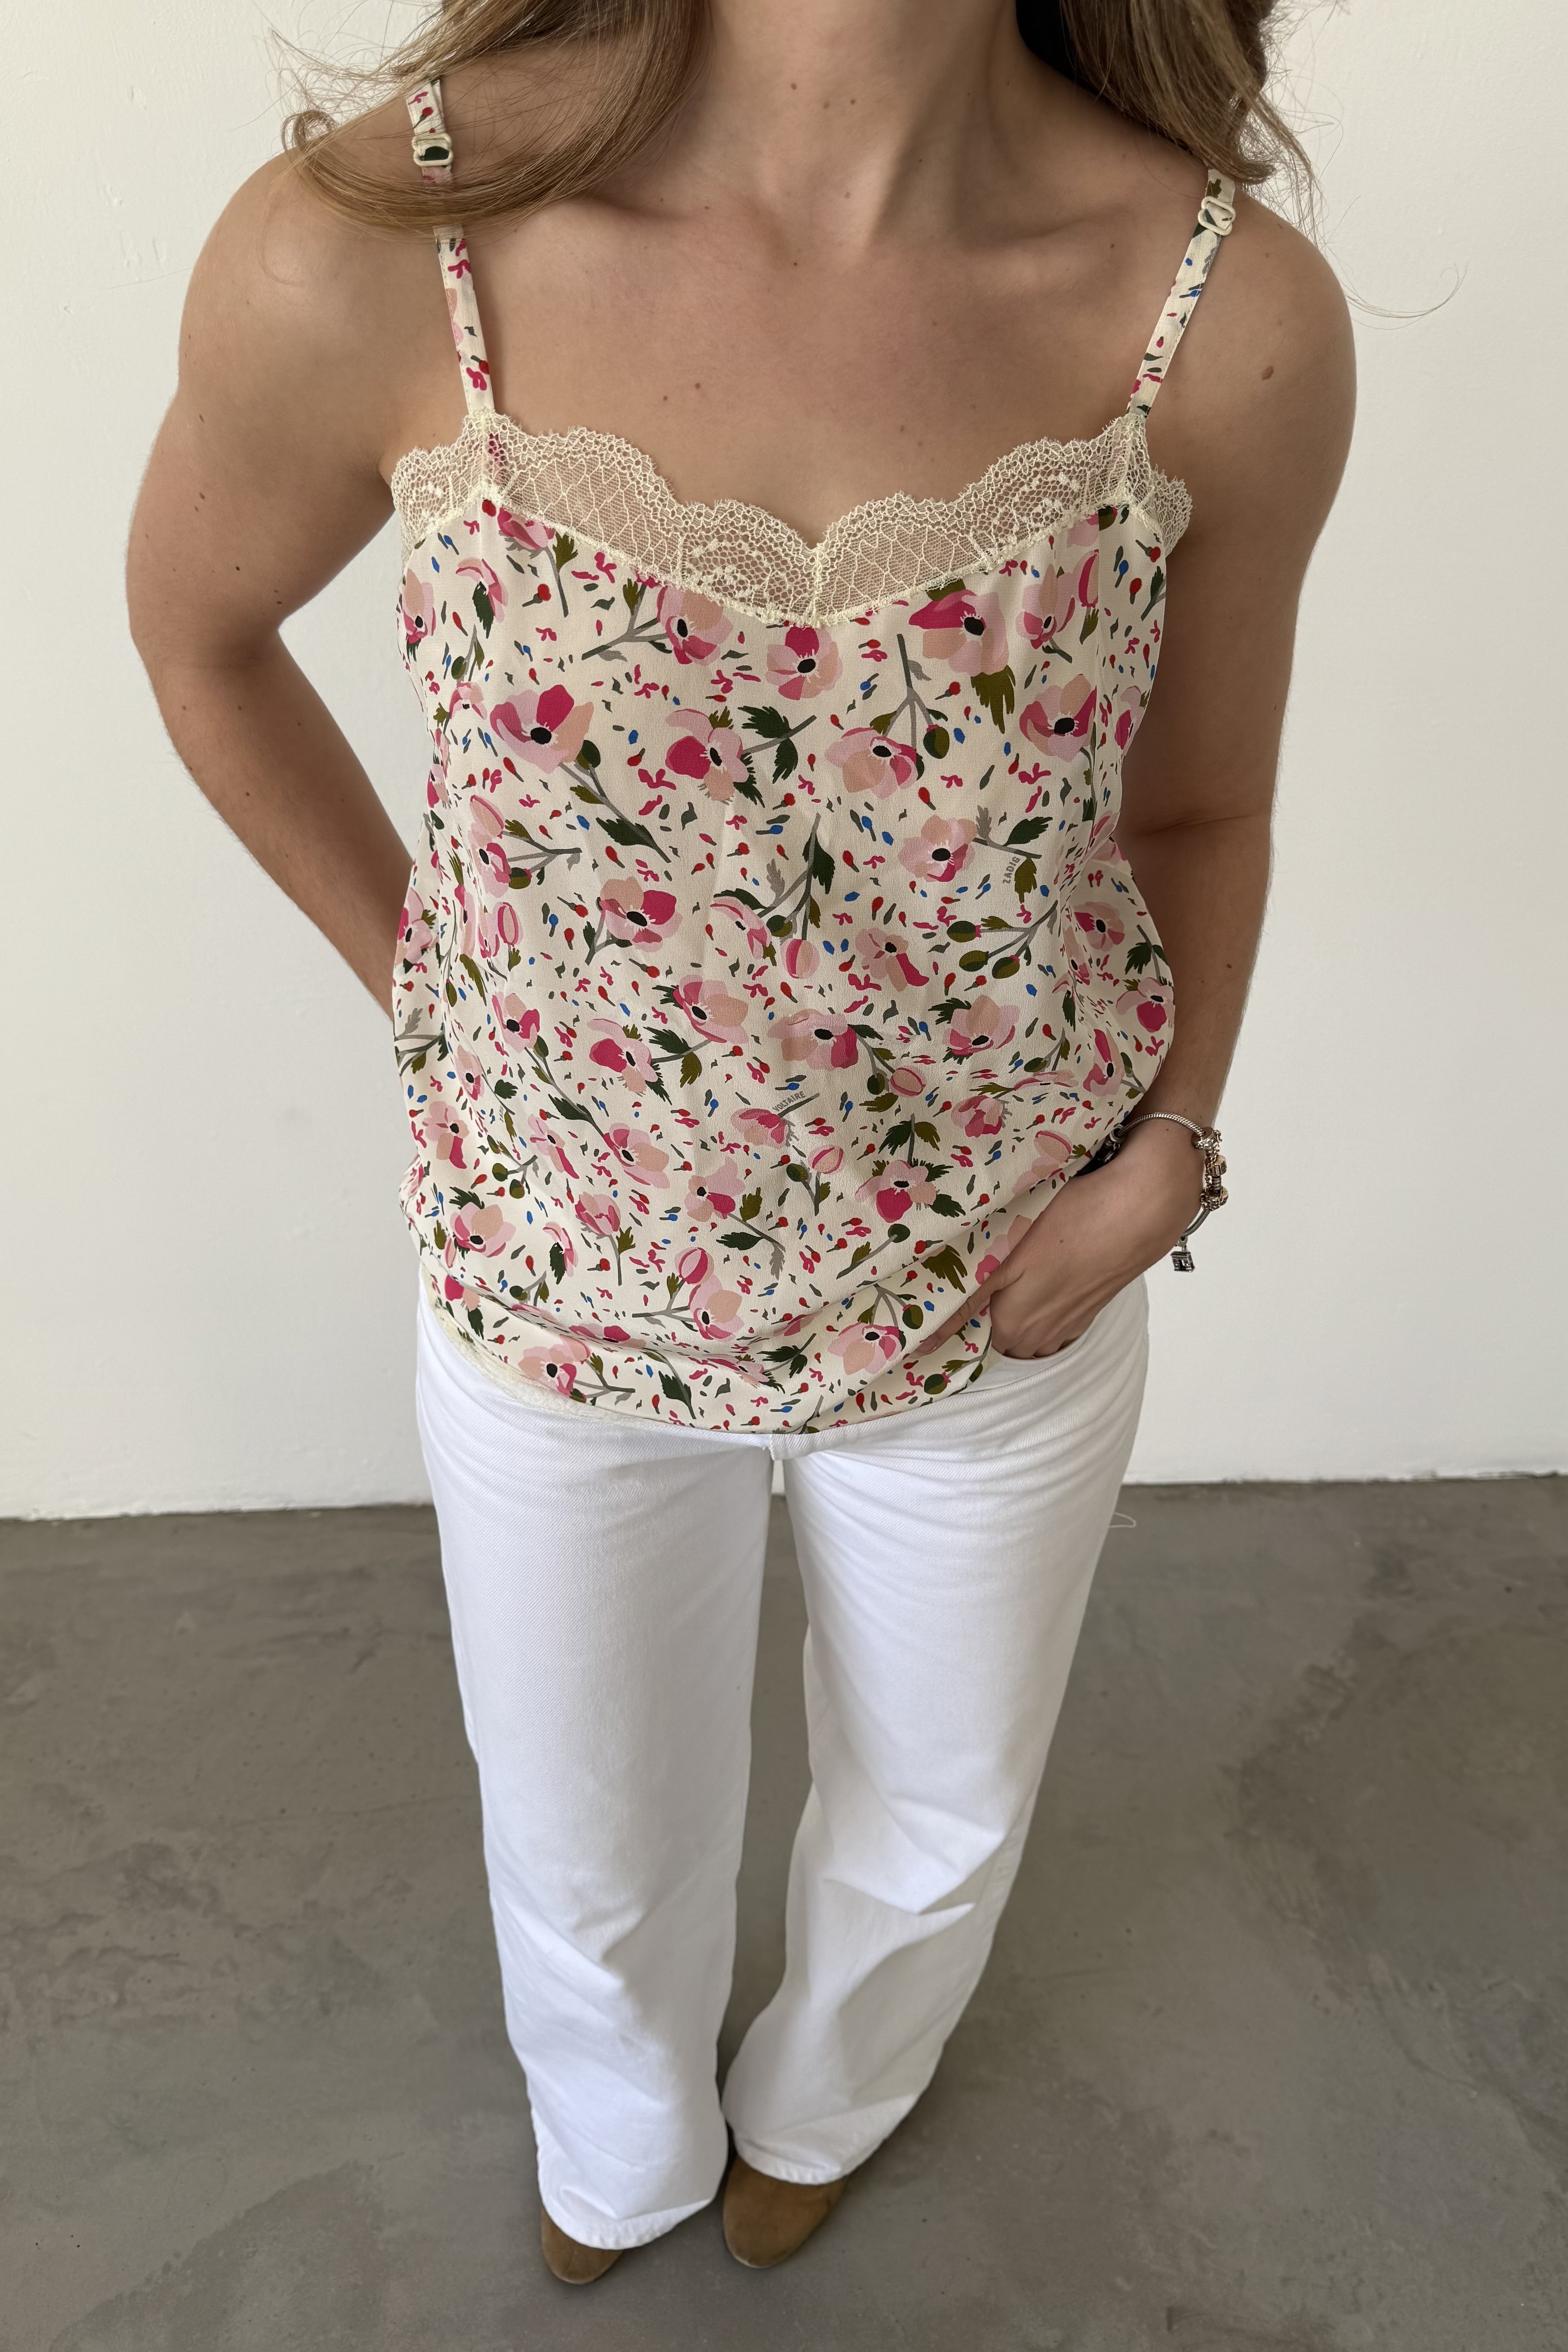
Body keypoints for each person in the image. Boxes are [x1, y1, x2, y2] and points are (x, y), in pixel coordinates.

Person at [127, 0, 1353, 2288]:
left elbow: (1201, 806)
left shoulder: (1220, 315)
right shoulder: (382, 241)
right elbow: (201, 637)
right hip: (556, 1284)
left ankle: (831, 2099)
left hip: (1005, 1287)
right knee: (583, 1839)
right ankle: (619, 2148)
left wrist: (1165, 1157)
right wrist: (439, 1005)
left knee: (942, 1809)